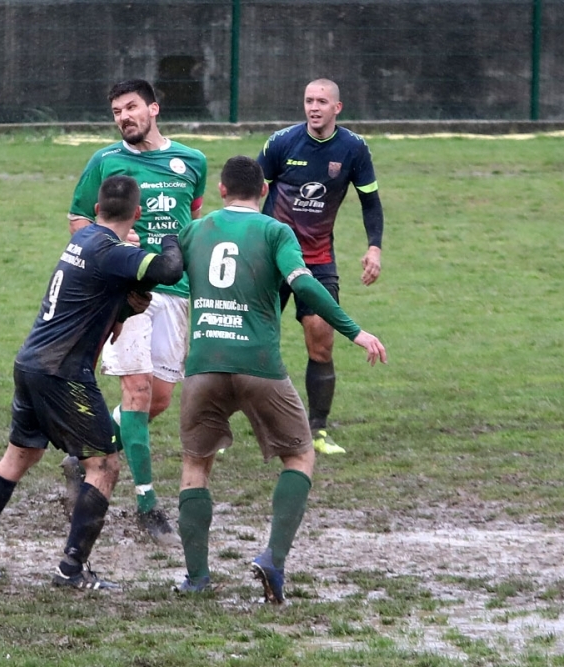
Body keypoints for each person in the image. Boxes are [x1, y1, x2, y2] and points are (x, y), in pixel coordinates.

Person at [0, 175, 184, 589]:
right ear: (136, 213)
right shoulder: (111, 252)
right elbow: (168, 269)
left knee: (18, 457)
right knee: (105, 464)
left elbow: (107, 292)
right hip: (63, 373)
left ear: (96, 210)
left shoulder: (83, 242)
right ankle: (71, 569)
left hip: (31, 363)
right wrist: (171, 236)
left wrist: (125, 307)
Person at [174, 156, 386, 599]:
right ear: (265, 193)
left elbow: (161, 275)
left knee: (196, 464)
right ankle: (273, 559)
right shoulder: (276, 231)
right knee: (301, 456)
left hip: (203, 364)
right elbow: (305, 286)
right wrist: (354, 331)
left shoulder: (194, 230)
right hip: (259, 366)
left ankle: (196, 578)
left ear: (220, 190)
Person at [64, 79, 208, 544]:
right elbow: (77, 219)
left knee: (158, 399)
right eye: (116, 112)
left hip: (177, 290)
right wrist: (110, 242)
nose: (124, 117)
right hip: (128, 289)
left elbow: (191, 221)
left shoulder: (192, 162)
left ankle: (81, 451)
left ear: (154, 109)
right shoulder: (105, 161)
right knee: (138, 392)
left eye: (131, 108)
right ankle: (147, 506)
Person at [256, 78, 385, 455]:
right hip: (271, 256)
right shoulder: (282, 142)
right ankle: (231, 426)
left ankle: (318, 431)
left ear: (337, 108)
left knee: (321, 340)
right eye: (309, 100)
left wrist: (374, 248)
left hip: (317, 259)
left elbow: (370, 203)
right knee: (252, 343)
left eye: (321, 101)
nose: (313, 107)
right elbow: (251, 193)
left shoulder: (353, 149)